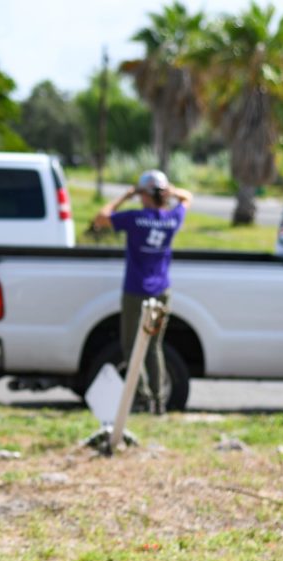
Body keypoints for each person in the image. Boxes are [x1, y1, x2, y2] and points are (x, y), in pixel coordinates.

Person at [91, 169, 193, 414]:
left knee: (130, 344)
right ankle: (159, 400)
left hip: (135, 290)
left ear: (144, 195)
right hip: (161, 290)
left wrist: (126, 196)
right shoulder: (171, 218)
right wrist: (171, 191)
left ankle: (142, 395)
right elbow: (187, 198)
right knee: (154, 346)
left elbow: (101, 217)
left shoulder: (135, 218)